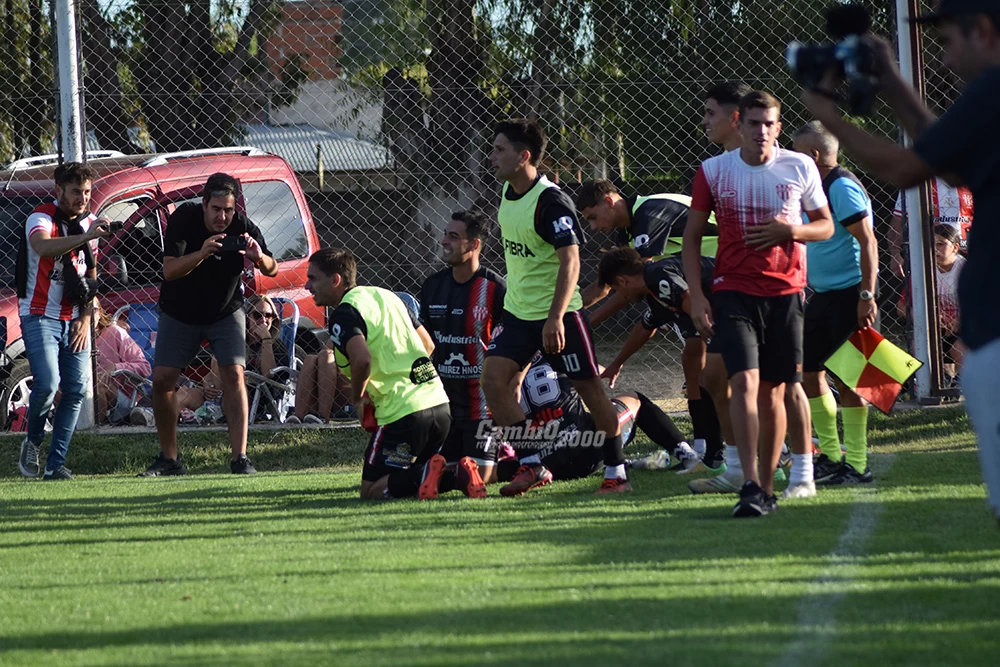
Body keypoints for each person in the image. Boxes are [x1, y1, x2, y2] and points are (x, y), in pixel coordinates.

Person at [800, 0, 1000, 524]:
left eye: (948, 42)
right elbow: (944, 154)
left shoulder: (992, 93)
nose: (947, 59)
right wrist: (888, 79)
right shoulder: (987, 100)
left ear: (983, 31)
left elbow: (907, 166)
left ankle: (849, 458)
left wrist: (828, 117)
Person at [683, 91, 834, 518]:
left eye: (769, 123)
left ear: (779, 128)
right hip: (732, 291)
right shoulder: (714, 171)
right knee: (743, 384)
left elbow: (824, 226)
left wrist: (791, 231)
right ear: (739, 123)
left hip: (785, 293)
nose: (761, 131)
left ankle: (772, 483)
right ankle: (749, 481)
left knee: (775, 392)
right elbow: (692, 238)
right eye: (754, 123)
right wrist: (697, 295)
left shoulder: (799, 165)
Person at [480, 118, 630, 495]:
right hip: (518, 313)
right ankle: (531, 466)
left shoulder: (550, 200)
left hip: (559, 316)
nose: (492, 155)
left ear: (524, 156)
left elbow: (571, 262)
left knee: (591, 391)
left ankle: (616, 472)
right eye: (493, 148)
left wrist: (555, 317)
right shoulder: (506, 192)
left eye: (500, 149)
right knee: (494, 381)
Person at [575, 180, 724, 467]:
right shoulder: (630, 237)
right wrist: (570, 318)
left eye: (592, 217)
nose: (592, 227)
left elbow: (631, 284)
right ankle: (707, 448)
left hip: (728, 282)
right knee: (695, 364)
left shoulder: (650, 215)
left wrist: (581, 324)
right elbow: (611, 290)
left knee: (719, 373)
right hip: (700, 292)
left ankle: (731, 449)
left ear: (609, 201)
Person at [139, 173, 278, 477]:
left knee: (234, 374)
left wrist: (259, 258)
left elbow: (273, 267)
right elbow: (170, 270)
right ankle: (169, 459)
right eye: (216, 209)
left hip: (225, 313)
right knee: (162, 379)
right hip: (180, 313)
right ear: (204, 204)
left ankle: (240, 458)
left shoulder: (241, 225)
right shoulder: (184, 219)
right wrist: (201, 253)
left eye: (228, 210)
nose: (223, 216)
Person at [305, 248, 468, 500]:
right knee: (410, 485)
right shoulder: (388, 296)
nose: (307, 285)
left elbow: (361, 359)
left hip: (403, 417)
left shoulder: (345, 313)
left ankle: (439, 473)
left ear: (335, 280)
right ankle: (458, 476)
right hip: (439, 407)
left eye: (313, 278)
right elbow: (428, 345)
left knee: (371, 491)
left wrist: (359, 399)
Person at [792, 121, 879, 488]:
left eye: (796, 154)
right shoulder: (812, 190)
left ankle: (857, 464)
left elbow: (869, 242)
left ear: (814, 156)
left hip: (849, 296)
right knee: (810, 373)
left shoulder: (841, 186)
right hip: (822, 297)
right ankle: (830, 455)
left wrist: (866, 296)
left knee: (851, 381)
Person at [596, 247, 730, 474]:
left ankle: (719, 457)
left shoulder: (658, 275)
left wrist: (718, 343)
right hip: (724, 317)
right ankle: (705, 452)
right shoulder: (654, 292)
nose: (622, 297)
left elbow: (690, 299)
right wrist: (616, 364)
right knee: (695, 366)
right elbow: (645, 327)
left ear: (622, 280)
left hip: (740, 309)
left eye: (617, 289)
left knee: (714, 378)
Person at [15, 162, 109, 480]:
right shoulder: (40, 217)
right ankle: (33, 441)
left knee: (75, 389)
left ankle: (55, 465)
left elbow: (91, 273)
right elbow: (42, 247)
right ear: (59, 191)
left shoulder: (91, 223)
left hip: (74, 317)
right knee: (48, 383)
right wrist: (85, 236)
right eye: (75, 192)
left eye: (87, 192)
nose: (82, 199)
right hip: (40, 313)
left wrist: (86, 316)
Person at [495, 358, 699, 483]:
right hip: (590, 449)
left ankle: (628, 463)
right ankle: (688, 456)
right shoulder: (557, 352)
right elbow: (599, 372)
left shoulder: (495, 371)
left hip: (545, 466)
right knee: (636, 399)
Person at [420, 210, 506, 482]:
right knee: (422, 471)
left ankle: (512, 461)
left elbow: (511, 347)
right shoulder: (432, 286)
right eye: (445, 234)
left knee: (483, 476)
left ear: (475, 244)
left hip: (482, 407)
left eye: (454, 237)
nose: (444, 241)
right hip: (442, 406)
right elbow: (425, 347)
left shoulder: (495, 288)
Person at [201, 294, 291, 423]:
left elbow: (268, 373)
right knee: (186, 392)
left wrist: (266, 339)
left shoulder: (276, 344)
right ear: (247, 317)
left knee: (236, 379)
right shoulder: (238, 341)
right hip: (224, 391)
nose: (263, 320)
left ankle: (217, 412)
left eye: (268, 316)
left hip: (260, 394)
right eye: (257, 315)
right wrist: (208, 383)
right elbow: (216, 371)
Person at [93, 298, 152, 424]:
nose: (90, 315)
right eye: (84, 311)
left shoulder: (114, 333)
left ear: (100, 313)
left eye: (94, 310)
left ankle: (93, 431)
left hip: (119, 391)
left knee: (97, 389)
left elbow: (144, 367)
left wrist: (115, 367)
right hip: (81, 384)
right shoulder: (70, 337)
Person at [933, 224, 966, 384]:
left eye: (940, 244)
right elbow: (902, 307)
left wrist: (961, 319)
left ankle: (962, 383)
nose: (935, 249)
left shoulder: (965, 269)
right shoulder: (924, 269)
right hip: (936, 327)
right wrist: (932, 317)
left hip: (964, 327)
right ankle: (939, 381)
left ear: (955, 247)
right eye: (932, 244)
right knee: (921, 342)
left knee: (959, 348)